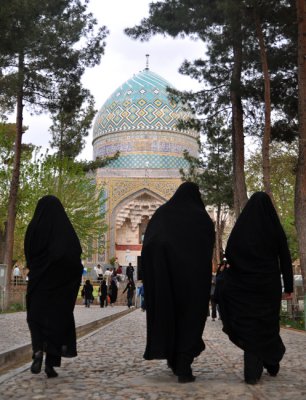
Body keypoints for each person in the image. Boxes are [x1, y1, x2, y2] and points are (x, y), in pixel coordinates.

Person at [141, 181, 215, 383]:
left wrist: (153, 273)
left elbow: (149, 245)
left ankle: (174, 359)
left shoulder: (162, 215)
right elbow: (209, 246)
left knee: (168, 314)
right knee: (190, 317)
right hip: (193, 282)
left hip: (166, 280)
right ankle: (183, 362)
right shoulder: (201, 218)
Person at [218, 192, 293, 385]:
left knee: (250, 325)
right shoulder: (274, 228)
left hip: (245, 287)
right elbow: (285, 259)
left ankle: (254, 370)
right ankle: (272, 361)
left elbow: (231, 254)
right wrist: (289, 288)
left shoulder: (241, 229)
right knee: (267, 324)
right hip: (268, 287)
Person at [24, 195, 83, 378]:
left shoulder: (34, 228)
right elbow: (75, 260)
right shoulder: (65, 231)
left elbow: (29, 254)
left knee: (36, 318)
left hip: (39, 284)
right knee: (57, 323)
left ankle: (37, 350)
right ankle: (50, 365)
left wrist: (38, 269)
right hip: (60, 290)